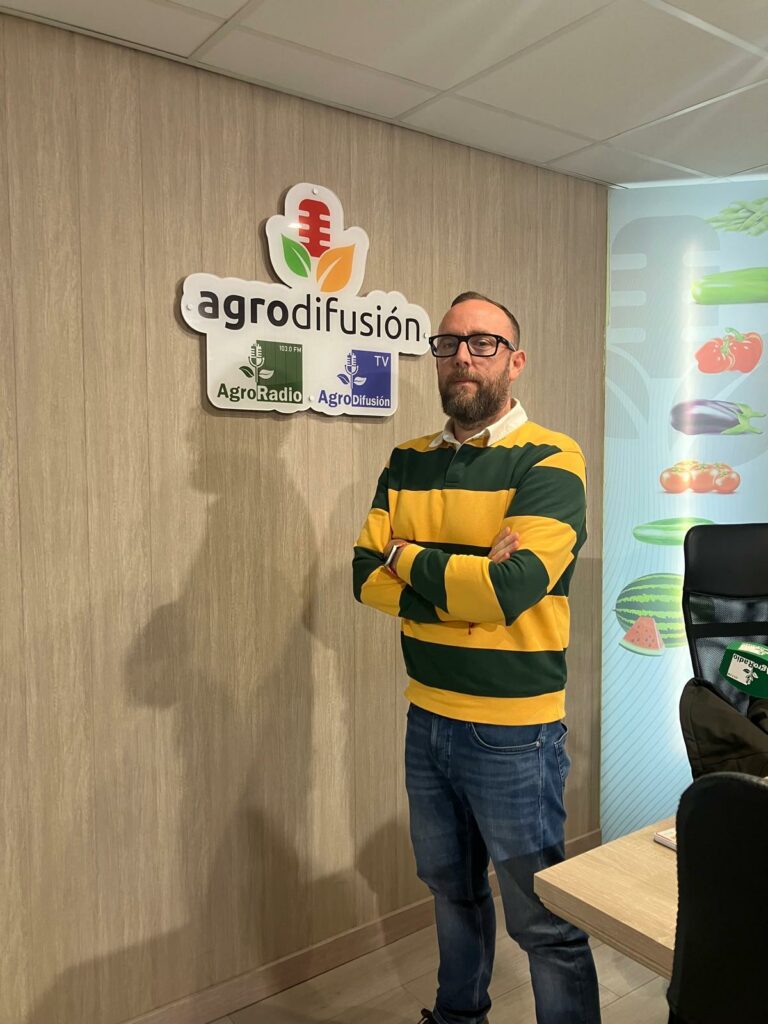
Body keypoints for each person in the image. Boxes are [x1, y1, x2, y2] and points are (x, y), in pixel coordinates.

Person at [352, 293, 601, 1024]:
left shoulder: (551, 457)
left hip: (515, 732)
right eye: (449, 342)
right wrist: (464, 589)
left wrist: (406, 555)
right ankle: (457, 1017)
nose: (463, 356)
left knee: (542, 919)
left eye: (484, 343)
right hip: (426, 715)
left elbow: (511, 589)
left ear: (515, 362)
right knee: (450, 891)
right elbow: (364, 576)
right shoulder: (407, 460)